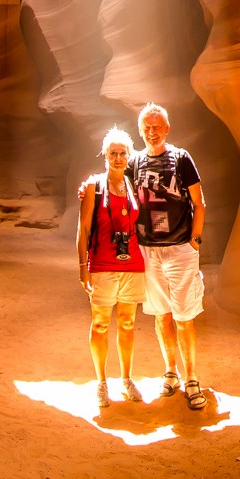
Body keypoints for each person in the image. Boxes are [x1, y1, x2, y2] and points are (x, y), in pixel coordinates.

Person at [130, 103, 209, 410]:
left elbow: (199, 202)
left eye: (157, 127)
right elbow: (114, 187)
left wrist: (194, 241)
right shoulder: (134, 162)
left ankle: (191, 379)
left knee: (184, 317)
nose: (152, 132)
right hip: (149, 250)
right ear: (141, 130)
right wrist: (89, 188)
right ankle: (170, 373)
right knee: (162, 316)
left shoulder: (181, 158)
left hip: (179, 248)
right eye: (147, 128)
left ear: (167, 128)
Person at [77, 127, 146, 409]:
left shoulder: (132, 186)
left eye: (122, 153)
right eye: (113, 153)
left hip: (132, 264)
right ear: (105, 155)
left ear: (129, 156)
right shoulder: (94, 186)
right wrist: (83, 267)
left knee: (128, 323)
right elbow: (82, 229)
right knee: (101, 323)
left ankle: (126, 379)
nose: (118, 158)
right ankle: (101, 383)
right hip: (103, 263)